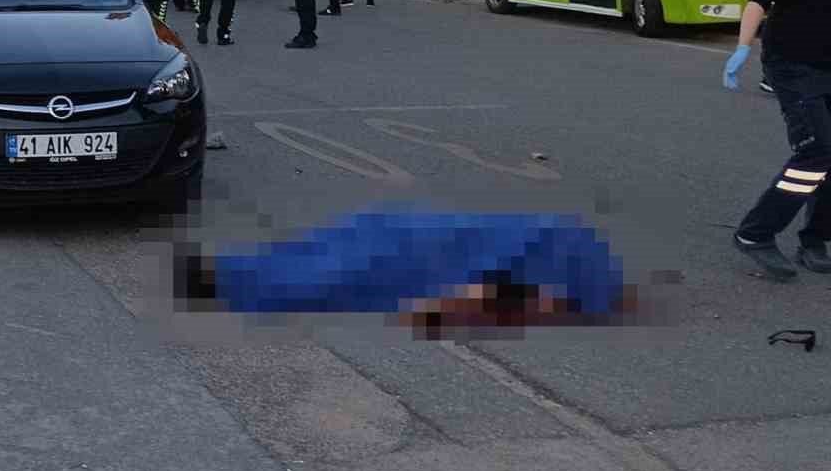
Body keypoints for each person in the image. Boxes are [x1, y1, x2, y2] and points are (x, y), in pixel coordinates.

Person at [174, 211, 630, 332]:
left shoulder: (564, 238)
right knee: (329, 273)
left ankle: (223, 274)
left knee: (323, 254)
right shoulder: (565, 268)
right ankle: (222, 277)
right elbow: (492, 294)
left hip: (411, 232)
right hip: (419, 254)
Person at [724, 0, 831, 279]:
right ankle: (756, 233)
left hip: (827, 62)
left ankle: (814, 239)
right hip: (791, 62)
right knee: (817, 149)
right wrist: (742, 47)